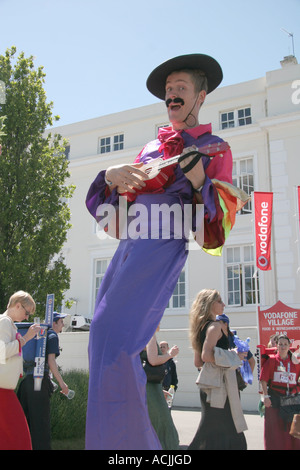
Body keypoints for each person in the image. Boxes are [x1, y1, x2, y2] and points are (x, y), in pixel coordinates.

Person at [85, 53, 248, 450]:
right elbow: (117, 210)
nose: (172, 96)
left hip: (161, 242)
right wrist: (111, 176)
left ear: (201, 96)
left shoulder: (214, 147)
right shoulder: (150, 148)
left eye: (181, 89)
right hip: (129, 245)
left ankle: (129, 448)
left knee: (118, 341)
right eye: (168, 90)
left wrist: (197, 182)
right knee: (99, 340)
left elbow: (214, 229)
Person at [188, 289, 248, 450]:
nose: (224, 304)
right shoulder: (215, 326)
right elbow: (206, 356)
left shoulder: (199, 328)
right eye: (220, 301)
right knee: (230, 428)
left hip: (210, 385)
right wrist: (233, 355)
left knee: (210, 431)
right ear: (210, 304)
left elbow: (197, 361)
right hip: (221, 386)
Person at [17, 312, 69, 450]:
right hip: (39, 383)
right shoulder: (51, 336)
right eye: (61, 321)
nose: (63, 324)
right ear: (54, 323)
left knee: (25, 424)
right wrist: (62, 384)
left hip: (26, 383)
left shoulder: (34, 334)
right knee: (41, 427)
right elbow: (51, 362)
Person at [0, 290, 40, 450]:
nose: (27, 317)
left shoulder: (8, 323)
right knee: (19, 436)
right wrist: (25, 339)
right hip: (2, 390)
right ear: (17, 305)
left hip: (4, 389)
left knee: (9, 438)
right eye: (27, 312)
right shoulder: (4, 322)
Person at [260, 334, 300, 450]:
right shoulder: (272, 361)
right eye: (280, 344)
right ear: (276, 346)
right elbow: (263, 380)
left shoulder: (295, 362)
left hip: (292, 401)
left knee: (293, 432)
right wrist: (265, 397)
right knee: (276, 434)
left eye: (285, 344)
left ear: (289, 346)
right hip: (275, 400)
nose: (283, 347)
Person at [141, 328, 179, 449]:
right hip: (151, 389)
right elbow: (153, 360)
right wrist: (170, 355)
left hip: (146, 387)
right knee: (162, 422)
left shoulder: (139, 334)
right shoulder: (150, 334)